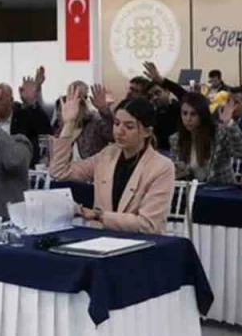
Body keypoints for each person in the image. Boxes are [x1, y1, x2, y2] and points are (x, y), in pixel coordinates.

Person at [50, 94, 176, 233]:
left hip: (140, 242)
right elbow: (59, 172)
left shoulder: (162, 166)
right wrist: (69, 124)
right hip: (100, 238)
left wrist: (100, 216)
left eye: (129, 126)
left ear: (147, 132)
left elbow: (148, 224)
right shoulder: (107, 154)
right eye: (116, 123)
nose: (119, 131)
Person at [170, 92, 242, 184]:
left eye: (193, 114)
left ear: (202, 115)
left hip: (222, 189)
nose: (188, 118)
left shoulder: (219, 133)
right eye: (184, 113)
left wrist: (229, 123)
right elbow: (178, 173)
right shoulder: (175, 139)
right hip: (193, 189)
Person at [0, 66, 52, 168]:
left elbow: (45, 129)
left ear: (11, 101)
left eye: (0, 99)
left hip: (19, 168)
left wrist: (31, 102)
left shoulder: (23, 116)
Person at [50, 81, 114, 161]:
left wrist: (104, 110)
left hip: (92, 167)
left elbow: (113, 135)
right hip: (66, 168)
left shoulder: (95, 121)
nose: (61, 114)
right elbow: (56, 159)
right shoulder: (60, 128)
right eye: (60, 110)